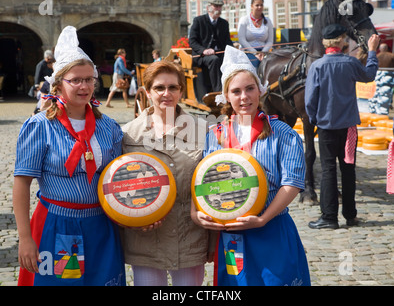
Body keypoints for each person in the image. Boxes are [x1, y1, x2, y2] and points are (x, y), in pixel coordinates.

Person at [13, 26, 126, 286]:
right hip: (56, 225)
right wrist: (26, 237)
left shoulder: (109, 127)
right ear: (58, 84)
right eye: (75, 80)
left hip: (101, 226)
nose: (83, 86)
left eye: (89, 79)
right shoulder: (39, 126)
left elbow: (120, 177)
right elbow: (21, 183)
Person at [192, 45, 310, 286]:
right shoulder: (215, 134)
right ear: (227, 96)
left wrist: (263, 218)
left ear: (260, 90)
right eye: (236, 91)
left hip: (272, 230)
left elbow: (292, 182)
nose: (244, 97)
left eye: (249, 88)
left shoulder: (282, 132)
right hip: (231, 237)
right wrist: (196, 213)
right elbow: (204, 180)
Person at [121, 60, 215, 286]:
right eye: (159, 88)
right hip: (145, 239)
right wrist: (133, 217)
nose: (166, 93)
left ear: (182, 90)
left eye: (173, 87)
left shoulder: (205, 132)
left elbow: (213, 180)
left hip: (189, 238)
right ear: (147, 91)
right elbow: (118, 187)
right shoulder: (127, 134)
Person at [305, 24, 380, 229]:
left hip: (327, 126)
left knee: (328, 170)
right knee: (348, 169)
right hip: (348, 128)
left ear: (324, 43)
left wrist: (314, 119)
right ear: (341, 41)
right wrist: (372, 51)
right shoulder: (350, 63)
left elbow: (310, 100)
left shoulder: (317, 66)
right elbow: (370, 75)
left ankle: (329, 217)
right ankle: (350, 215)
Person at [189, 0, 233, 93]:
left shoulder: (224, 23)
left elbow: (228, 42)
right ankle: (219, 92)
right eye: (216, 6)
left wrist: (233, 51)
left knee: (232, 59)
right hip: (201, 55)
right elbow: (192, 41)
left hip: (219, 53)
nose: (218, 9)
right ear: (208, 7)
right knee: (214, 60)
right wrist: (204, 50)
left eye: (220, 6)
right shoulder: (198, 20)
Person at [237, 0, 274, 69]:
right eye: (257, 5)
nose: (260, 7)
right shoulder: (244, 20)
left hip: (263, 51)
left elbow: (270, 41)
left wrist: (262, 52)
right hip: (248, 51)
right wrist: (255, 52)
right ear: (251, 6)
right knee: (256, 64)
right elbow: (242, 40)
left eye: (261, 5)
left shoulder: (268, 21)